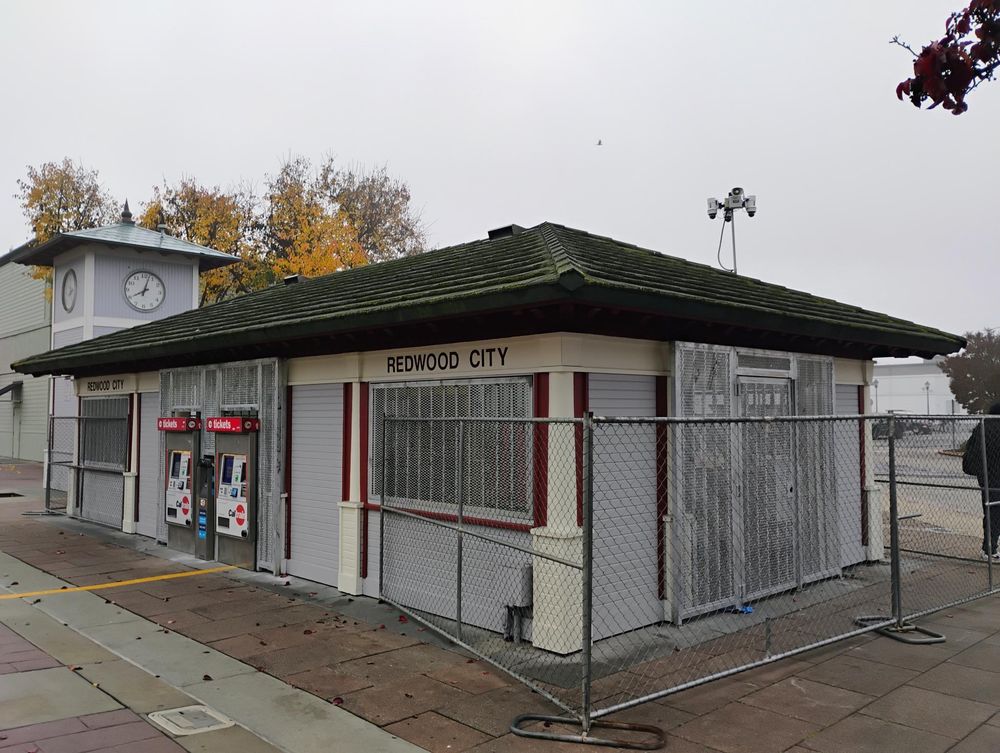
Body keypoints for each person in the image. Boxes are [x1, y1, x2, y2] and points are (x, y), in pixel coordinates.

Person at [963, 403, 1000, 560]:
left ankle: (989, 548)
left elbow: (972, 450)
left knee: (991, 513)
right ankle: (989, 549)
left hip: (987, 478)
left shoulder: (982, 427)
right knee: (995, 514)